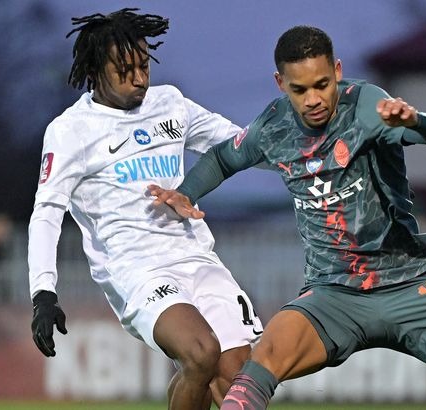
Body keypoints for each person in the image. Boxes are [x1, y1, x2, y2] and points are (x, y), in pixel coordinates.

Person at [150, 25, 426, 410]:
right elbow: (223, 157)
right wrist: (186, 192)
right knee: (248, 378)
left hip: (407, 289)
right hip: (331, 298)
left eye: (322, 84)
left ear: (337, 71)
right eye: (299, 89)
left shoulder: (365, 105)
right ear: (280, 84)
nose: (313, 99)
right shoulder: (273, 127)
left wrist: (416, 121)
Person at [27, 9, 262, 410]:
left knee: (235, 373)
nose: (139, 78)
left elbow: (237, 144)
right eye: (125, 70)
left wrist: (304, 152)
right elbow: (46, 213)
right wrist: (43, 293)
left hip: (196, 256)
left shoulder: (170, 104)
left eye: (144, 67)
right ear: (95, 72)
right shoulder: (70, 131)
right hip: (137, 270)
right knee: (200, 352)